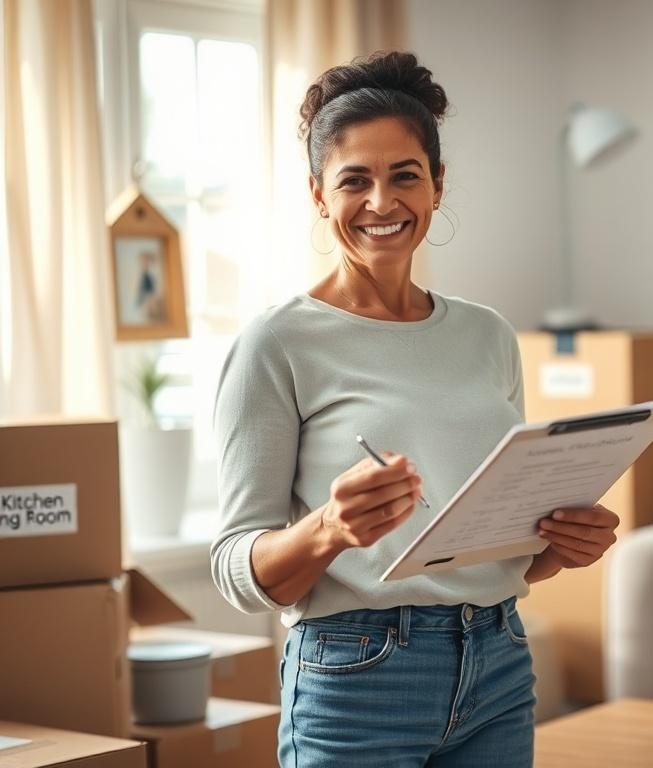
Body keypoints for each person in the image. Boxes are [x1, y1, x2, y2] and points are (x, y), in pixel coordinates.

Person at [210, 51, 620, 767]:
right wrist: (330, 530)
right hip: (356, 675)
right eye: (353, 181)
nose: (380, 202)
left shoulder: (488, 335)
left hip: (497, 660)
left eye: (404, 175)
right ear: (316, 194)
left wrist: (557, 546)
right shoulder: (276, 344)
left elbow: (492, 557)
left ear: (436, 184)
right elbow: (235, 570)